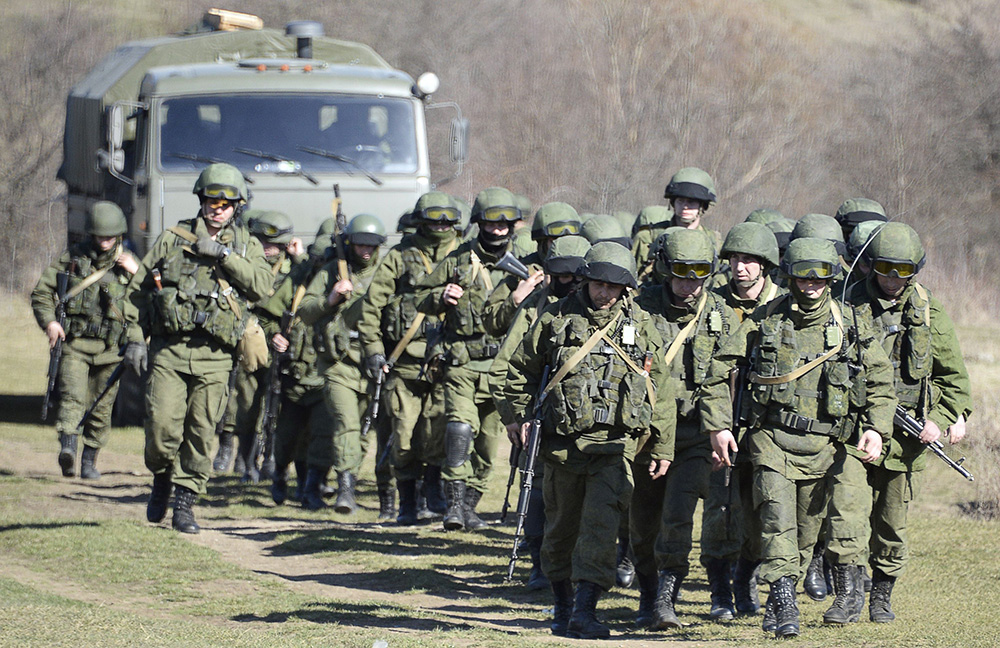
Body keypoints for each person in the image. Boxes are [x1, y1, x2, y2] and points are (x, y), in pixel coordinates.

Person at [700, 237, 895, 638]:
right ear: (787, 275)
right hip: (772, 440)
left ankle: (778, 597)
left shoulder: (851, 324)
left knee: (806, 533)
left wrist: (876, 427)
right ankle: (785, 601)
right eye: (801, 276)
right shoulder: (765, 320)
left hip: (826, 446)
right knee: (776, 523)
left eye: (819, 277)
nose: (809, 285)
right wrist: (718, 427)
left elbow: (880, 382)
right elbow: (719, 371)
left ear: (831, 278)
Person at [502, 241, 675, 639]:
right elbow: (520, 371)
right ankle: (562, 605)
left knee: (601, 526)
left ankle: (585, 609)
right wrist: (522, 417)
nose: (604, 293)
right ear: (586, 280)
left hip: (615, 448)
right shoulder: (556, 318)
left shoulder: (642, 325)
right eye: (598, 284)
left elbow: (662, 390)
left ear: (626, 289)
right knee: (560, 529)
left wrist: (663, 446)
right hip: (562, 447)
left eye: (613, 288)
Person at [124, 163, 272, 534]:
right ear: (201, 201)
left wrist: (224, 256)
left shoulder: (246, 246)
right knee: (161, 428)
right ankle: (161, 476)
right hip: (169, 352)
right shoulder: (172, 238)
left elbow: (261, 287)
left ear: (237, 206)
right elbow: (137, 292)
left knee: (202, 431)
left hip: (216, 357)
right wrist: (133, 338)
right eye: (211, 200)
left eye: (225, 202)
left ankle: (185, 503)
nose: (217, 208)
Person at [848, 222, 971, 623]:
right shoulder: (847, 306)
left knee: (891, 522)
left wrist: (942, 418)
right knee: (844, 515)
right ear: (871, 265)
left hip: (905, 441)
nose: (892, 279)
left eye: (903, 270)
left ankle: (881, 594)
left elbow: (954, 379)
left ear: (915, 270)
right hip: (853, 431)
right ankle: (847, 592)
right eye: (884, 267)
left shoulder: (929, 313)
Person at [632, 227, 739, 627]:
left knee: (676, 518)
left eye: (699, 273)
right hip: (646, 436)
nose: (689, 283)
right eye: (681, 272)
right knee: (642, 525)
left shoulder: (720, 316)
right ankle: (646, 595)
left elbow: (720, 380)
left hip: (694, 435)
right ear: (663, 268)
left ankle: (665, 600)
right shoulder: (638, 309)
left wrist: (719, 429)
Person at [414, 186, 528, 531]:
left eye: (505, 224)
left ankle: (471, 505)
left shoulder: (524, 265)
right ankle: (453, 505)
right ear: (479, 223)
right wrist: (440, 295)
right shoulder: (457, 259)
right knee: (459, 429)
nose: (497, 230)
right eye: (491, 223)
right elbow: (420, 297)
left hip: (500, 369)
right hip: (461, 364)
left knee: (488, 443)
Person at [488, 234, 592, 591]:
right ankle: (539, 564)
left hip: (590, 421)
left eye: (576, 277)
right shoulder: (534, 308)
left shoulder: (603, 310)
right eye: (561, 276)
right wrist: (514, 417)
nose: (570, 284)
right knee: (535, 495)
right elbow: (502, 368)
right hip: (540, 420)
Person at [357, 191, 462, 524]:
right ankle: (406, 504)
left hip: (447, 361)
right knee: (402, 435)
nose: (441, 226)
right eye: (435, 220)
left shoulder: (463, 255)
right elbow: (372, 307)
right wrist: (373, 350)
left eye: (447, 221)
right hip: (404, 362)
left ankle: (433, 491)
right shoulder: (399, 257)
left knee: (437, 431)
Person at [708, 221, 785, 617]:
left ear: (765, 265)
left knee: (760, 512)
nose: (740, 267)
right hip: (720, 421)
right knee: (719, 511)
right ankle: (720, 592)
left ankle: (746, 578)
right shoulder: (713, 303)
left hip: (766, 427)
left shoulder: (783, 306)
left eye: (749, 260)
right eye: (735, 259)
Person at [31, 201, 141, 479]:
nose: (104, 241)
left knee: (102, 408)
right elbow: (42, 293)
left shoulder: (129, 264)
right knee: (72, 398)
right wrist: (51, 323)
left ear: (118, 235)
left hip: (112, 350)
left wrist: (136, 270)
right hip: (75, 345)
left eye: (110, 236)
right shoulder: (72, 260)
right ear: (91, 234)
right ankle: (68, 449)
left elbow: (152, 299)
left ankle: (90, 460)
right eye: (100, 235)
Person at [298, 214, 389, 513]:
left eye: (371, 245)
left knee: (363, 432)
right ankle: (345, 491)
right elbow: (306, 311)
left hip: (371, 365)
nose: (365, 250)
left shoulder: (386, 272)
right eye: (359, 243)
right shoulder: (330, 272)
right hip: (338, 364)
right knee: (346, 425)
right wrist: (332, 298)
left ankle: (347, 479)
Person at [216, 209, 306, 482]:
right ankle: (245, 463)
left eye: (276, 244)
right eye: (263, 243)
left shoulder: (294, 269)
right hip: (250, 341)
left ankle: (273, 461)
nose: (269, 249)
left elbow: (312, 287)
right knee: (246, 405)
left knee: (277, 408)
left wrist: (299, 256)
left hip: (282, 345)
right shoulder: (244, 264)